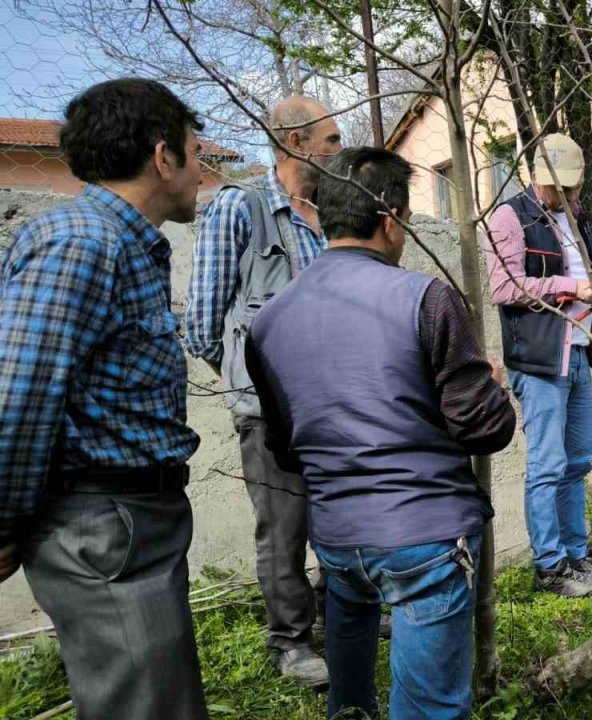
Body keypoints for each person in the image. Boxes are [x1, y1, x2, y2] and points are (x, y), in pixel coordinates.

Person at [245, 147, 516, 720]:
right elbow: (484, 429)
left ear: (322, 215)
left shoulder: (268, 321)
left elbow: (283, 447)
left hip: (339, 542)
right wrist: (493, 385)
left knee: (349, 704)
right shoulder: (426, 299)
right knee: (430, 709)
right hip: (423, 537)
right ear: (390, 220)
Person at [0, 78, 209, 720]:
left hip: (128, 524)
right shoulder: (84, 243)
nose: (203, 171)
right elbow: (19, 397)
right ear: (162, 156)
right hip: (101, 526)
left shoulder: (121, 242)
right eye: (196, 152)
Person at [183, 95, 342, 687]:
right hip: (269, 408)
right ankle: (291, 642)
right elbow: (202, 321)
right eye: (331, 140)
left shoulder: (330, 212)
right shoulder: (240, 207)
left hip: (334, 403)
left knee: (338, 512)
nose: (338, 151)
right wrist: (252, 378)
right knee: (283, 526)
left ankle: (339, 615)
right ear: (296, 143)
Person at [484, 133, 592, 598]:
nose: (557, 197)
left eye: (566, 189)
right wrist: (570, 288)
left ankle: (575, 555)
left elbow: (582, 279)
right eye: (550, 187)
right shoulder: (509, 216)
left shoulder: (577, 218)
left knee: (579, 458)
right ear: (533, 178)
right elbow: (504, 287)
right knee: (547, 464)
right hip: (539, 358)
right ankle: (549, 566)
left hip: (578, 350)